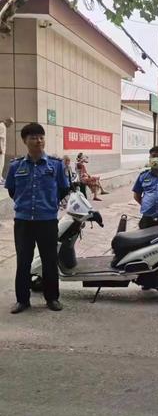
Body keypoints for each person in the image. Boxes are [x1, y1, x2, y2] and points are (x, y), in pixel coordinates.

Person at [4, 123, 69, 313]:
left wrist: (48, 205)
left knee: (49, 260)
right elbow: (12, 190)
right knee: (23, 261)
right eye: (33, 137)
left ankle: (52, 298)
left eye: (41, 137)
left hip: (47, 221)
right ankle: (22, 300)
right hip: (23, 221)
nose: (38, 141)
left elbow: (63, 188)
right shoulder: (16, 165)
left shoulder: (55, 165)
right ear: (25, 141)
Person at [0, 117, 14, 185]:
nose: (10, 126)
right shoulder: (2, 126)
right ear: (8, 122)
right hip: (1, 149)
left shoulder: (3, 126)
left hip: (2, 149)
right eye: (10, 124)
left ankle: (1, 177)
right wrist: (0, 148)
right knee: (0, 164)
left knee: (2, 164)